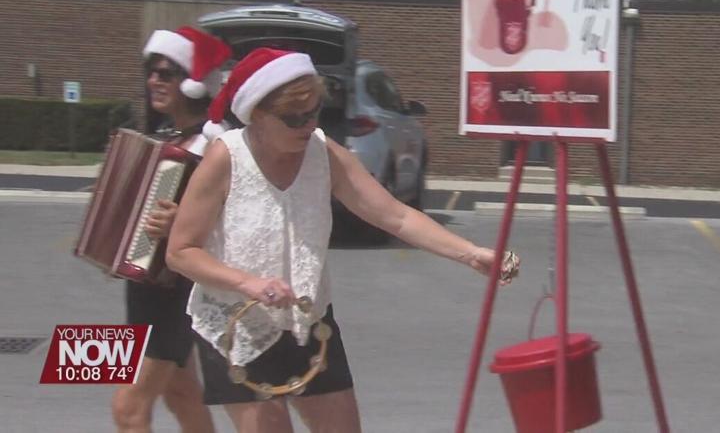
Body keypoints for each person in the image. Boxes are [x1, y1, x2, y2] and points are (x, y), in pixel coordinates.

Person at [166, 48, 519, 433]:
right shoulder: (227, 158)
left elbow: (395, 215)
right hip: (237, 326)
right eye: (294, 117)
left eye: (314, 111)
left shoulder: (324, 154)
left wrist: (470, 254)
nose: (308, 124)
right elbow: (181, 252)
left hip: (307, 318)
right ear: (258, 115)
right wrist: (249, 283)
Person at [111, 26, 231, 433]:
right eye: (152, 72)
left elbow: (237, 215)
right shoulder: (167, 140)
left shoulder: (216, 146)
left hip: (175, 291)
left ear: (194, 84)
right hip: (147, 291)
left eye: (166, 73)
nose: (154, 81)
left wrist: (180, 223)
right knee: (182, 394)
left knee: (128, 407)